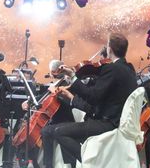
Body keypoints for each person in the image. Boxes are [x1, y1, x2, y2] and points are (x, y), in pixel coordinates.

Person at [40, 34, 138, 168]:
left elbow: (93, 97)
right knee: (66, 130)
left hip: (107, 123)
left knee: (59, 132)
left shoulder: (112, 69)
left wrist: (73, 77)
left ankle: (91, 163)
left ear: (110, 48)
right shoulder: (130, 70)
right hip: (118, 122)